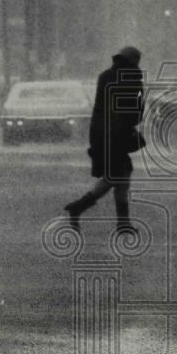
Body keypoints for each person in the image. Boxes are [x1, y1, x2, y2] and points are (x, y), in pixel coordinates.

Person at [64, 45, 144, 233]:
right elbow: (134, 111)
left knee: (119, 176)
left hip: (102, 134)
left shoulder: (105, 76)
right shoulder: (131, 78)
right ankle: (80, 207)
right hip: (118, 135)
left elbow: (103, 108)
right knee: (117, 176)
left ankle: (121, 222)